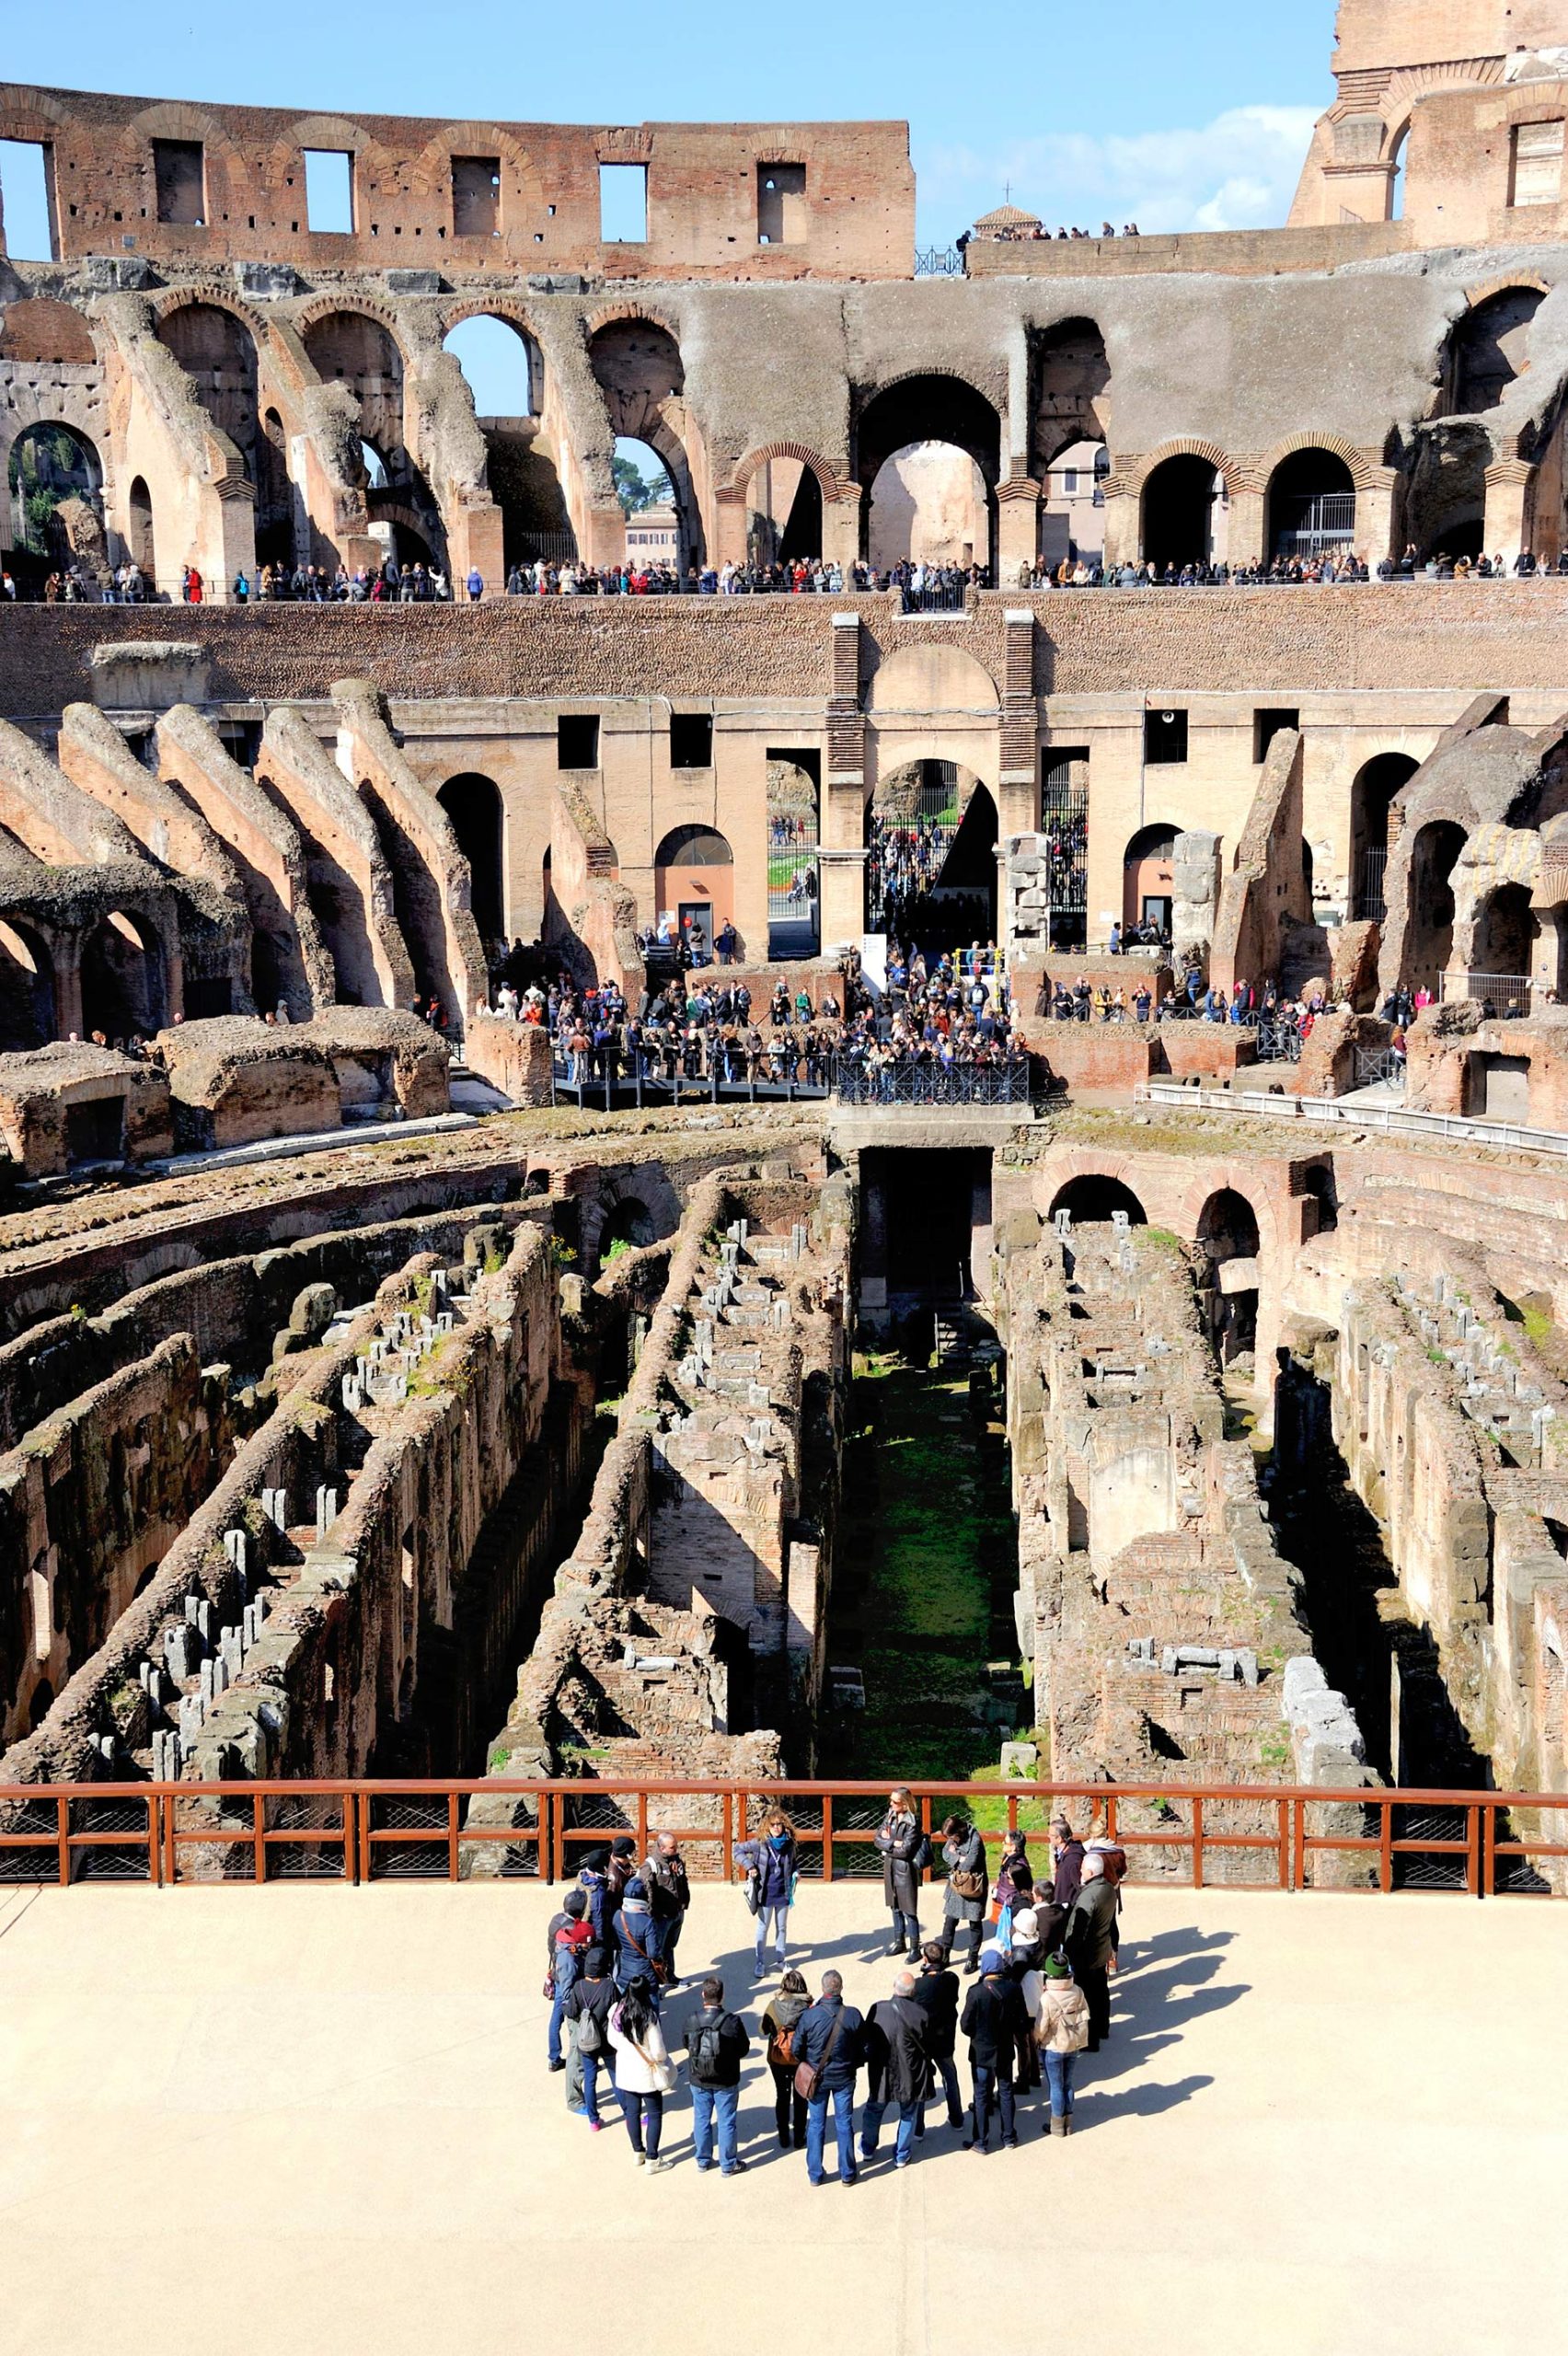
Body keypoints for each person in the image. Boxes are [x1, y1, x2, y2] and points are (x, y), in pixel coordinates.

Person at [793, 1969, 865, 2186]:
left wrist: (808, 2063)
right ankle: (847, 2173)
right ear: (840, 1988)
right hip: (844, 2078)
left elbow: (796, 2048)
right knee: (844, 2123)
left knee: (815, 2125)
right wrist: (854, 2063)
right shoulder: (852, 2015)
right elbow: (865, 2047)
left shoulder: (809, 2015)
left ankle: (815, 2174)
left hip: (817, 2078)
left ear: (823, 1989)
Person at [960, 1944, 1029, 2152]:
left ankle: (980, 2141)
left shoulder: (976, 1992)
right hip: (1005, 2049)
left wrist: (978, 2036)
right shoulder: (1013, 1989)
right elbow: (1022, 2021)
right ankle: (1009, 2136)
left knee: (981, 2096)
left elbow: (965, 2026)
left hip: (981, 2051)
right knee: (1006, 2091)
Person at [682, 1974, 752, 2176]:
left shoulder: (692, 2019)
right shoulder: (732, 2021)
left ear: (703, 1994)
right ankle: (728, 2164)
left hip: (698, 2078)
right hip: (726, 2079)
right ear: (722, 1996)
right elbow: (744, 2049)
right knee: (726, 2121)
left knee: (702, 2118)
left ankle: (703, 2160)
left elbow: (687, 2044)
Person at [859, 1969, 929, 2169]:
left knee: (874, 2109)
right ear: (913, 1991)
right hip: (909, 2073)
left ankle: (868, 2148)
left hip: (881, 2072)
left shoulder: (877, 2009)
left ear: (894, 1987)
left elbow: (867, 2038)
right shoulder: (920, 2014)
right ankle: (901, 2154)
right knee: (908, 2113)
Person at [607, 1977, 678, 2171]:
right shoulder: (649, 2017)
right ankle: (652, 2158)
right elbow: (659, 2052)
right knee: (654, 2114)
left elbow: (612, 2040)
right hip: (647, 2073)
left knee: (632, 2112)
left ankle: (638, 2152)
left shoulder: (616, 2010)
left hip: (626, 2070)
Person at [1064, 1852, 1118, 2050]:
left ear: (1091, 1871)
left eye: (1083, 1868)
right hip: (1102, 1948)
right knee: (1101, 1991)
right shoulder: (1109, 1889)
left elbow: (1079, 1929)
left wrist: (1068, 1951)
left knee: (1087, 1997)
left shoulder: (1089, 1896)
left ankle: (1091, 2039)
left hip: (1087, 1954)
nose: (1080, 1870)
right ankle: (1103, 2028)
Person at [912, 1939, 964, 2133]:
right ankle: (957, 2118)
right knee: (950, 2077)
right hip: (945, 2039)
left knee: (920, 2083)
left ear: (925, 1959)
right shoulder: (952, 1980)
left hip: (923, 2042)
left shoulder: (918, 1985)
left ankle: (918, 2129)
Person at [1036, 1954, 1090, 2136]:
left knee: (1056, 2086)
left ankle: (1057, 2125)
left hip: (1053, 2047)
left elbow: (1041, 2027)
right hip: (1073, 2044)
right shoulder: (1077, 1991)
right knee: (1068, 2083)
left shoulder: (1047, 1998)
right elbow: (1085, 2012)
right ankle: (1068, 2122)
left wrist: (1037, 2039)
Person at [737, 1808, 797, 1974]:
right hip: (765, 1893)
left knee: (782, 1927)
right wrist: (749, 1867)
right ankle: (760, 1962)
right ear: (767, 1827)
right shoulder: (760, 1843)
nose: (777, 1827)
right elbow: (737, 1850)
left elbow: (793, 1863)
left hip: (783, 1892)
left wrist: (795, 1873)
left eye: (779, 1824)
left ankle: (780, 1960)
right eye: (773, 1825)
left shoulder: (789, 1844)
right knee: (763, 1927)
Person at [563, 1946, 617, 2130]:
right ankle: (629, 2112)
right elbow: (618, 2010)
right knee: (616, 2076)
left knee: (590, 2079)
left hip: (586, 2042)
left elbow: (570, 2011)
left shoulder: (578, 1986)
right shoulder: (609, 1986)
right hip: (607, 2040)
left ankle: (594, 2120)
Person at [762, 1967, 812, 2149]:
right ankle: (799, 2137)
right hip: (800, 2059)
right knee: (800, 2097)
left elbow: (764, 2029)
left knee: (782, 2096)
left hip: (778, 2059)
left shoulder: (773, 2005)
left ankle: (783, 2136)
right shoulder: (809, 2007)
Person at [873, 1786, 925, 1958]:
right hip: (891, 1867)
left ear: (905, 1804)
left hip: (905, 1870)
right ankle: (899, 1942)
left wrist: (888, 1845)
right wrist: (894, 1844)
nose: (891, 1804)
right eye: (891, 1800)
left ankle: (915, 1948)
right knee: (894, 1906)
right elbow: (877, 1838)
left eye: (895, 1801)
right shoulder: (890, 1815)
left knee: (909, 1910)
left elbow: (906, 1851)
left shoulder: (913, 1822)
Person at [545, 1888, 592, 2072]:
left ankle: (554, 2056)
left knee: (555, 2019)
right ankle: (581, 2057)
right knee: (578, 2020)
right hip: (570, 1976)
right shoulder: (574, 1928)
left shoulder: (556, 1919)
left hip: (557, 1971)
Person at [937, 1812, 988, 1973]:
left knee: (975, 1923)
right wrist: (960, 1859)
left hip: (973, 1886)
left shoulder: (975, 1839)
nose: (950, 1841)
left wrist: (956, 1856)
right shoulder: (952, 1839)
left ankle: (972, 1958)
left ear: (959, 1832)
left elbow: (970, 1864)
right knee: (950, 1921)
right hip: (957, 1884)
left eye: (952, 1837)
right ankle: (945, 1955)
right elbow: (945, 1853)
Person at [642, 1831, 692, 1984]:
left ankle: (670, 1976)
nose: (676, 1850)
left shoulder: (676, 1860)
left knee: (670, 1947)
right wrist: (653, 1914)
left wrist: (684, 1904)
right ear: (662, 1848)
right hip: (661, 1917)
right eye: (672, 1847)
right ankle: (655, 1982)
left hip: (677, 1912)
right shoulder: (650, 1865)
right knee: (657, 1950)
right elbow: (646, 1891)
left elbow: (683, 1882)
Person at [611, 1875, 663, 1992]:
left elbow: (616, 1943)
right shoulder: (647, 1922)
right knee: (652, 2006)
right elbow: (652, 1953)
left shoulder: (617, 1916)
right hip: (646, 1975)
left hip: (624, 1973)